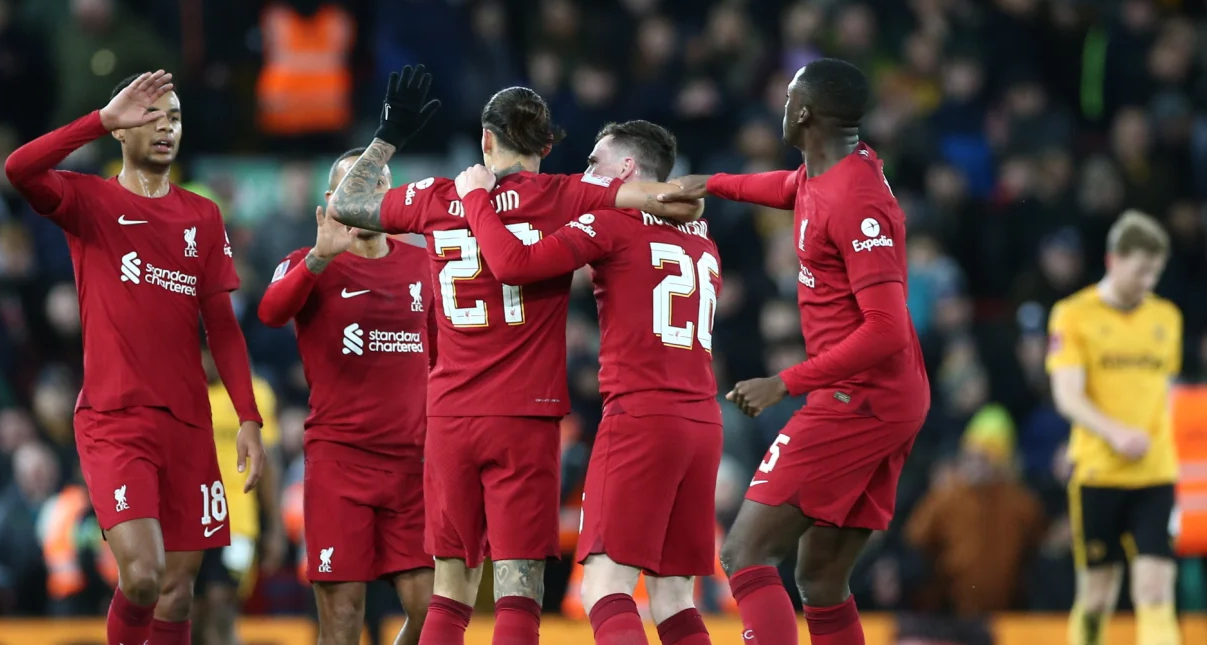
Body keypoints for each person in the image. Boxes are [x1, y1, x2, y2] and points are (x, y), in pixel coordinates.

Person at [324, 65, 701, 645]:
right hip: (526, 416)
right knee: (519, 591)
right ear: (548, 147)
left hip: (449, 414)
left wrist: (390, 134)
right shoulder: (567, 194)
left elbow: (348, 204)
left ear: (485, 140)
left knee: (449, 590)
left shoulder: (436, 197)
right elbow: (669, 199)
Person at [657, 57, 930, 645]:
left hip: (864, 398)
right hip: (879, 397)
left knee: (745, 552)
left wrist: (786, 382)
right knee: (821, 579)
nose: (780, 106)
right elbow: (791, 189)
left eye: (787, 98)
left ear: (804, 112)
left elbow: (886, 329)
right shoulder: (826, 173)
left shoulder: (859, 200)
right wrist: (712, 184)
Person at [3, 71, 265, 645]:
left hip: (191, 424)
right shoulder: (91, 202)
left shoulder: (202, 215)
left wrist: (247, 416)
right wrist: (97, 120)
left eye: (174, 117)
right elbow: (19, 168)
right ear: (124, 130)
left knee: (177, 589)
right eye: (152, 116)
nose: (167, 126)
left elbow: (222, 327)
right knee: (143, 577)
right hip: (115, 419)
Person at [455, 120, 721, 645]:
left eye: (596, 162)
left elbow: (514, 264)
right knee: (673, 599)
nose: (585, 173)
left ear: (626, 169)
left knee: (605, 589)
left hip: (642, 418)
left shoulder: (610, 223)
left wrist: (475, 200)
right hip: (702, 423)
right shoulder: (704, 240)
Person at [257, 148, 437, 645]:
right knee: (341, 622)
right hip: (341, 464)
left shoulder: (424, 265)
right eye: (353, 187)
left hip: (413, 467)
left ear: (391, 196)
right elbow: (270, 312)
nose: (366, 196)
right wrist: (319, 256)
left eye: (376, 185)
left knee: (434, 614)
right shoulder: (308, 264)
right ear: (332, 200)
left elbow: (443, 357)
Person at [1046, 210, 1183, 645]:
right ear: (1113, 260)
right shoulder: (1073, 315)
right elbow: (1068, 394)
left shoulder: (1167, 318)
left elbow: (1163, 390)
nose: (1149, 282)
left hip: (1156, 473)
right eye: (1142, 270)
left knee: (1157, 589)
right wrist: (1115, 433)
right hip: (1099, 472)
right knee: (1098, 595)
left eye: (1155, 272)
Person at [192, 348, 284, 645]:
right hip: (192, 517)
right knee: (191, 609)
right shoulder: (185, 393)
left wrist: (276, 529)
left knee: (223, 601)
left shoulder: (256, 393)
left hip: (240, 523)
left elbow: (269, 466)